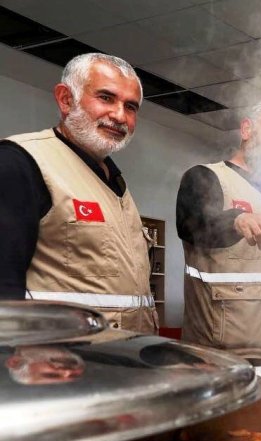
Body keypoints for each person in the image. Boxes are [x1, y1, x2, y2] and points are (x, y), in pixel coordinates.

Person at [0, 52, 157, 333]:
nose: (119, 116)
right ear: (65, 99)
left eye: (131, 106)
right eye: (106, 98)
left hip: (122, 362)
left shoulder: (116, 185)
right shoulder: (20, 162)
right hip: (59, 365)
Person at [176, 98, 261, 365]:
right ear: (246, 130)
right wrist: (236, 220)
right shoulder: (205, 177)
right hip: (218, 356)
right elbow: (192, 224)